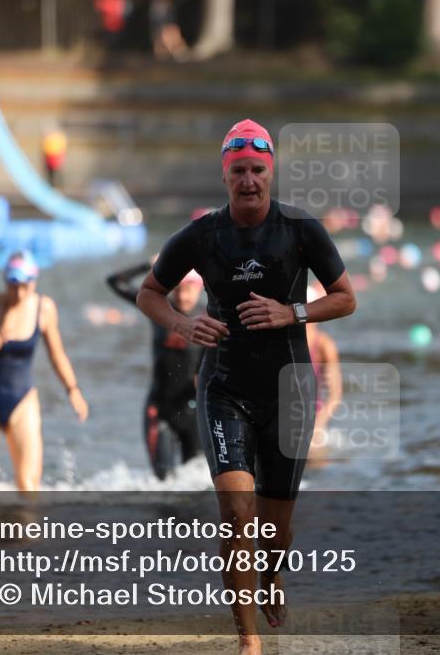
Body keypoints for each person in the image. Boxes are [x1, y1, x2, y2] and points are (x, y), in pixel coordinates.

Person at [137, 119, 356, 655]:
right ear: (225, 174)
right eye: (239, 171)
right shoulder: (201, 236)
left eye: (258, 170)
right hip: (225, 387)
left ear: (271, 171)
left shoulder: (302, 230)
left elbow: (346, 297)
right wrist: (184, 325)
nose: (249, 180)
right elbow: (150, 292)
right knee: (238, 516)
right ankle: (248, 640)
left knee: (274, 531)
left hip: (290, 389)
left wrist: (293, 311)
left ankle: (273, 574)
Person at [0, 251, 88, 492]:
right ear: (5, 281)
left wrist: (72, 389)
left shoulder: (44, 308)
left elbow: (57, 353)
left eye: (24, 286)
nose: (18, 293)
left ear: (34, 283)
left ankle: (23, 530)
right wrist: (1, 335)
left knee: (29, 488)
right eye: (13, 286)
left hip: (22, 400)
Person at [106, 262, 205, 480]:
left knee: (198, 484)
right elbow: (116, 282)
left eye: (188, 289)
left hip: (194, 412)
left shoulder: (210, 317)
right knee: (165, 483)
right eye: (177, 289)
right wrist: (150, 266)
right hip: (159, 411)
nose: (182, 295)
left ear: (200, 288)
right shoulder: (160, 310)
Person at [305, 283, 342, 466]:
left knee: (315, 459)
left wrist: (318, 426)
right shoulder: (281, 340)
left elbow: (335, 393)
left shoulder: (324, 346)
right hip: (283, 414)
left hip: (314, 414)